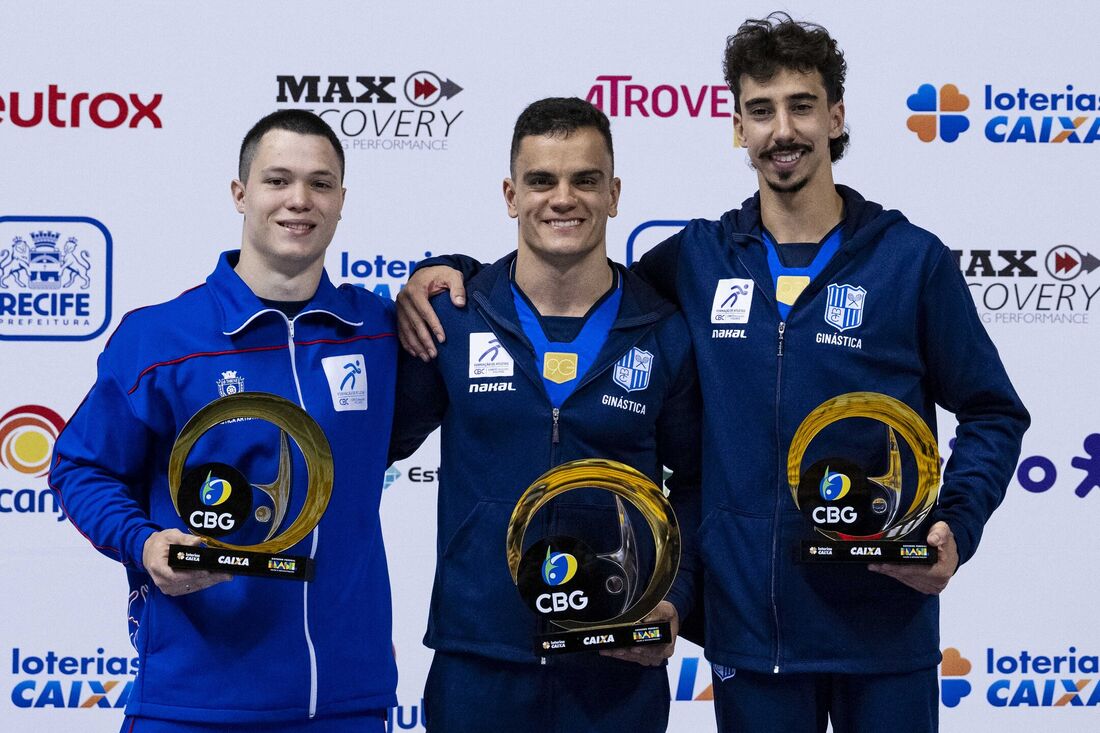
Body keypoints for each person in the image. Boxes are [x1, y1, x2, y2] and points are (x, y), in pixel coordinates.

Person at [395, 14, 1030, 733]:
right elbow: (569, 273)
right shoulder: (698, 260)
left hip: (884, 622)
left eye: (800, 105)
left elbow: (993, 411)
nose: (781, 129)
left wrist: (957, 522)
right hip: (748, 635)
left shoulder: (912, 261)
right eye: (760, 110)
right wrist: (455, 274)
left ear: (836, 116)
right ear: (738, 126)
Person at [50, 110, 398, 732]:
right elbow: (81, 466)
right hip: (194, 702)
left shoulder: (379, 330)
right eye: (277, 180)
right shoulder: (161, 338)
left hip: (346, 702)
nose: (299, 200)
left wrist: (442, 268)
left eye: (320, 184)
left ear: (342, 201)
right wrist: (146, 543)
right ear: (240, 193)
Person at [388, 97, 701, 733]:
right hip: (480, 661)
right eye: (541, 181)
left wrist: (676, 596)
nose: (563, 198)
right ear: (510, 195)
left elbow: (700, 485)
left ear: (613, 194)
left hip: (614, 658)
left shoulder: (665, 330)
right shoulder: (451, 318)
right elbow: (368, 446)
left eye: (585, 180)